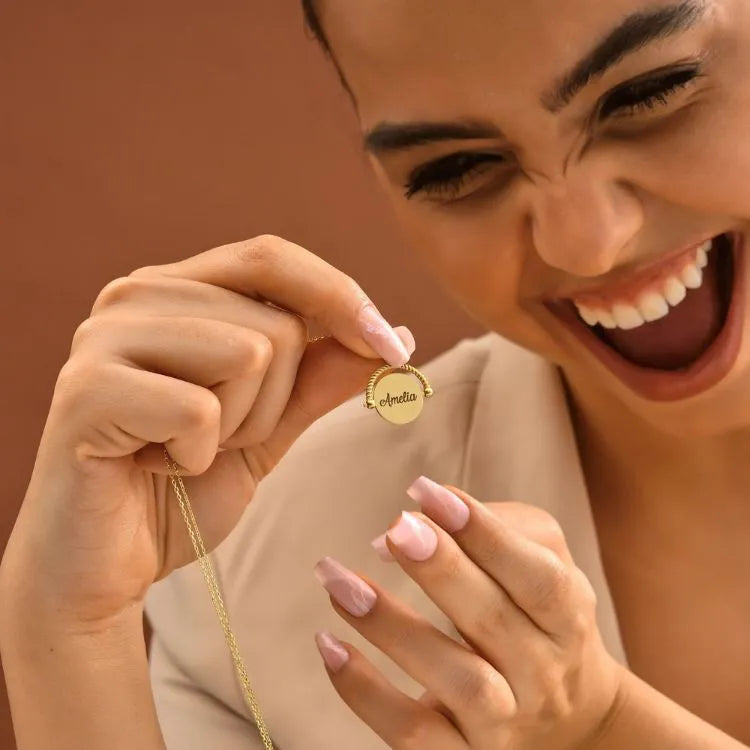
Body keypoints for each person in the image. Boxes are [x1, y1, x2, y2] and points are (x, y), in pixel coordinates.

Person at [1, 0, 749, 747]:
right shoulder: (259, 553)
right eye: (457, 168)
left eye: (655, 92)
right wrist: (68, 630)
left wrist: (609, 730)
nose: (585, 244)